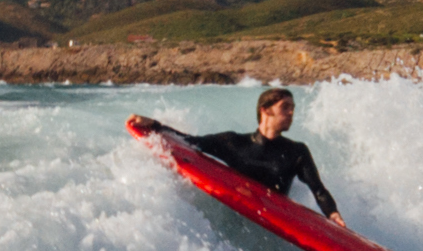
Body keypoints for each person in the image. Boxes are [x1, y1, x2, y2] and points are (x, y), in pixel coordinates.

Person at [139, 87, 341, 218]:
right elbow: (189, 142)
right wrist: (155, 125)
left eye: (293, 108)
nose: (291, 113)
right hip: (237, 215)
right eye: (285, 107)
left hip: (273, 221)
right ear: (265, 110)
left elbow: (319, 191)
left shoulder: (297, 152)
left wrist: (333, 214)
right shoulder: (233, 142)